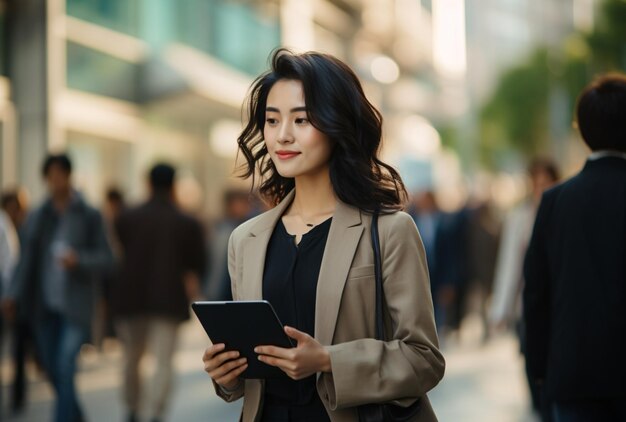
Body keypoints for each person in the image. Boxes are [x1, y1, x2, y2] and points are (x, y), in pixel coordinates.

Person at [202, 49, 445, 422]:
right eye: (271, 120)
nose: (282, 135)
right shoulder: (246, 239)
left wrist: (329, 361)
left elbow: (424, 358)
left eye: (301, 119)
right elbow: (247, 375)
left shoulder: (389, 230)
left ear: (337, 123)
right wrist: (227, 374)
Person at [523, 73, 626, 421]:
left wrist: (538, 367)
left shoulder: (555, 201)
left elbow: (536, 292)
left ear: (582, 129)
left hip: (573, 374)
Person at [5, 153, 113, 422]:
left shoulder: (89, 214)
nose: (56, 180)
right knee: (54, 370)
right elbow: (25, 262)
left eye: (60, 174)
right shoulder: (39, 216)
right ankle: (75, 416)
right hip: (43, 306)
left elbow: (109, 258)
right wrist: (11, 295)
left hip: (76, 307)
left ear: (68, 175)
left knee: (65, 365)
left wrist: (79, 259)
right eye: (50, 175)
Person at [113, 163, 206, 422]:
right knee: (163, 362)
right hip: (169, 300)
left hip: (131, 298)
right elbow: (198, 264)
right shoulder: (186, 222)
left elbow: (119, 250)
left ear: (148, 183)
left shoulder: (127, 216)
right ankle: (155, 412)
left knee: (132, 358)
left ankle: (132, 408)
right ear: (174, 185)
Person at [489, 158, 559, 417]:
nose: (541, 187)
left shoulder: (562, 214)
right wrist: (500, 310)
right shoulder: (520, 218)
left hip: (558, 310)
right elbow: (509, 267)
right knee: (532, 370)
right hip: (527, 309)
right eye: (537, 182)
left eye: (546, 181)